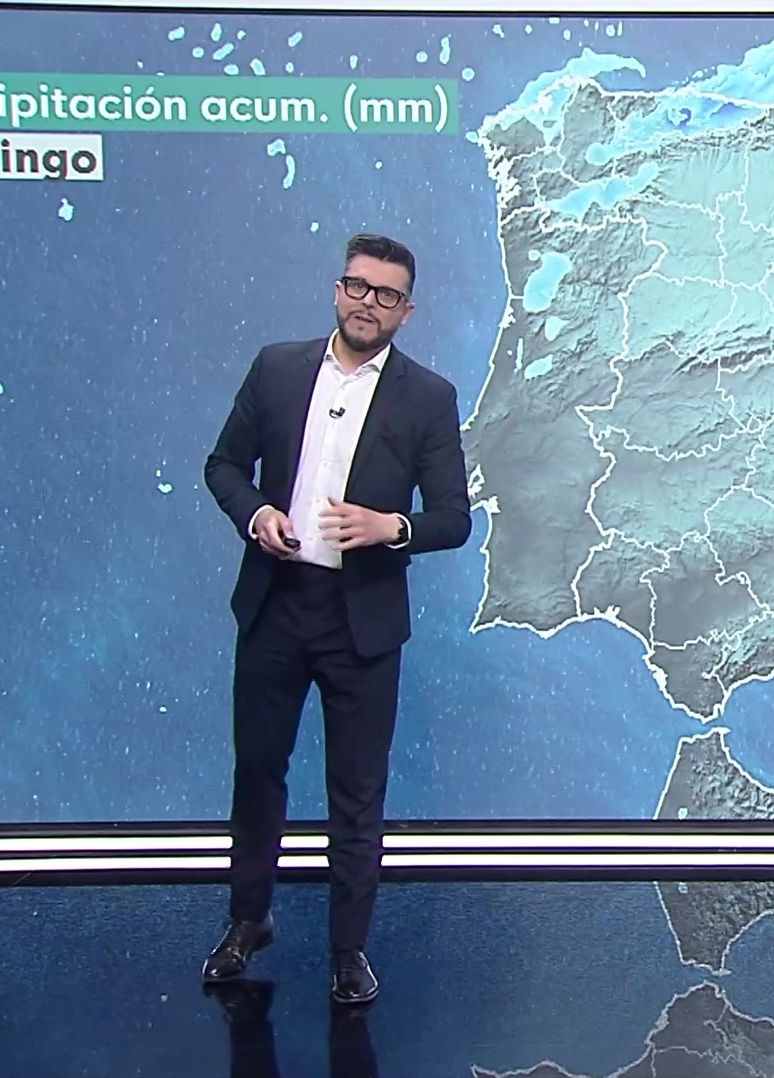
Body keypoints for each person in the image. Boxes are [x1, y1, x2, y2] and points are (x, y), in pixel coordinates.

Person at [199, 232, 471, 1004]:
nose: (367, 303)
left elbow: (453, 517)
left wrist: (393, 527)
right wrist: (256, 515)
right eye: (357, 286)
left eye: (386, 295)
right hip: (275, 609)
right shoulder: (277, 368)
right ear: (337, 289)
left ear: (406, 312)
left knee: (356, 792)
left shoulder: (428, 398)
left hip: (362, 624)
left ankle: (348, 950)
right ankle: (248, 920)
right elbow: (223, 466)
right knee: (258, 773)